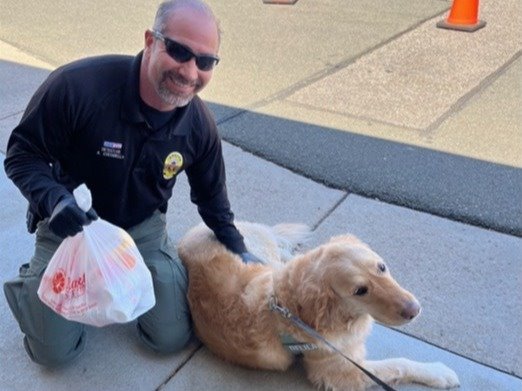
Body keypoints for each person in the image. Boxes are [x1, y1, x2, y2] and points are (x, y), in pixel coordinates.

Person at [3, 0, 263, 368]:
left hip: (140, 225)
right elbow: (20, 153)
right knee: (54, 354)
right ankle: (32, 285)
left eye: (206, 61)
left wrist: (240, 249)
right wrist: (54, 201)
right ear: (150, 41)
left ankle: (124, 277)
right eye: (179, 50)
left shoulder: (199, 127)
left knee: (170, 339)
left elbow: (212, 200)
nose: (191, 71)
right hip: (70, 223)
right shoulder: (78, 87)